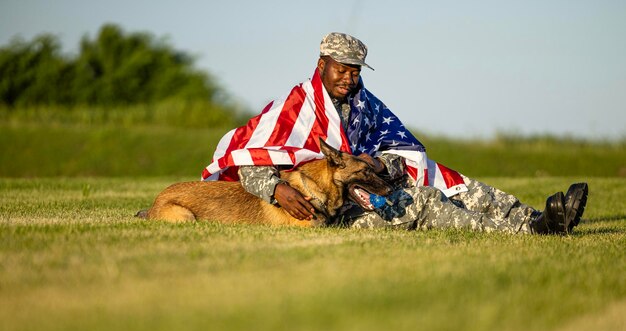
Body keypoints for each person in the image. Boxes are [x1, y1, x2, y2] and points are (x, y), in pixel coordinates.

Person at [201, 32, 588, 235]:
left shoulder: (366, 105)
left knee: (456, 184)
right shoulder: (294, 107)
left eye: (356, 71)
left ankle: (537, 218)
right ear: (322, 64)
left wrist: (376, 161)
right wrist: (278, 191)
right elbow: (250, 160)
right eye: (342, 69)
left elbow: (402, 151)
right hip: (323, 209)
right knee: (422, 203)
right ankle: (527, 233)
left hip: (368, 184)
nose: (349, 78)